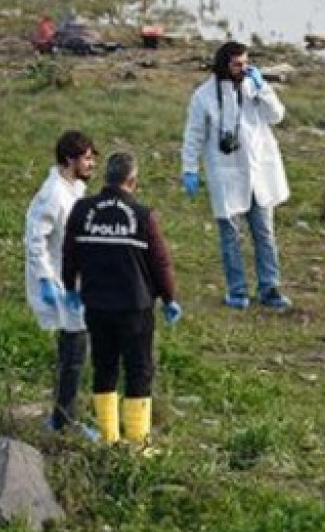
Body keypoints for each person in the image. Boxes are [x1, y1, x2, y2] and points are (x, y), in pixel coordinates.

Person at [62, 152, 182, 445]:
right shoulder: (143, 216)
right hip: (134, 307)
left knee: (104, 368)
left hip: (97, 305)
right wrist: (169, 298)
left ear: (107, 178)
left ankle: (108, 438)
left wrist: (70, 288)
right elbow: (160, 262)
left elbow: (69, 253)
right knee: (138, 370)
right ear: (132, 181)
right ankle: (138, 443)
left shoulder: (82, 209)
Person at [180, 40, 292, 311]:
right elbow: (194, 135)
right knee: (230, 237)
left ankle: (270, 288)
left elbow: (276, 115)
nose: (242, 68)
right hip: (226, 174)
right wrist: (189, 169)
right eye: (237, 64)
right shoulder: (204, 96)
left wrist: (263, 87)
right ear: (223, 64)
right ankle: (237, 290)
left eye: (245, 63)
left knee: (264, 233)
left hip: (259, 172)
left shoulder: (254, 86)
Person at [23, 130, 98, 439]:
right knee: (73, 352)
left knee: (77, 350)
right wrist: (44, 279)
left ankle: (65, 415)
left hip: (75, 281)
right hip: (59, 283)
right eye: (87, 158)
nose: (92, 164)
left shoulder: (74, 188)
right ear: (70, 159)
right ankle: (62, 420)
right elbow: (34, 237)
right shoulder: (53, 193)